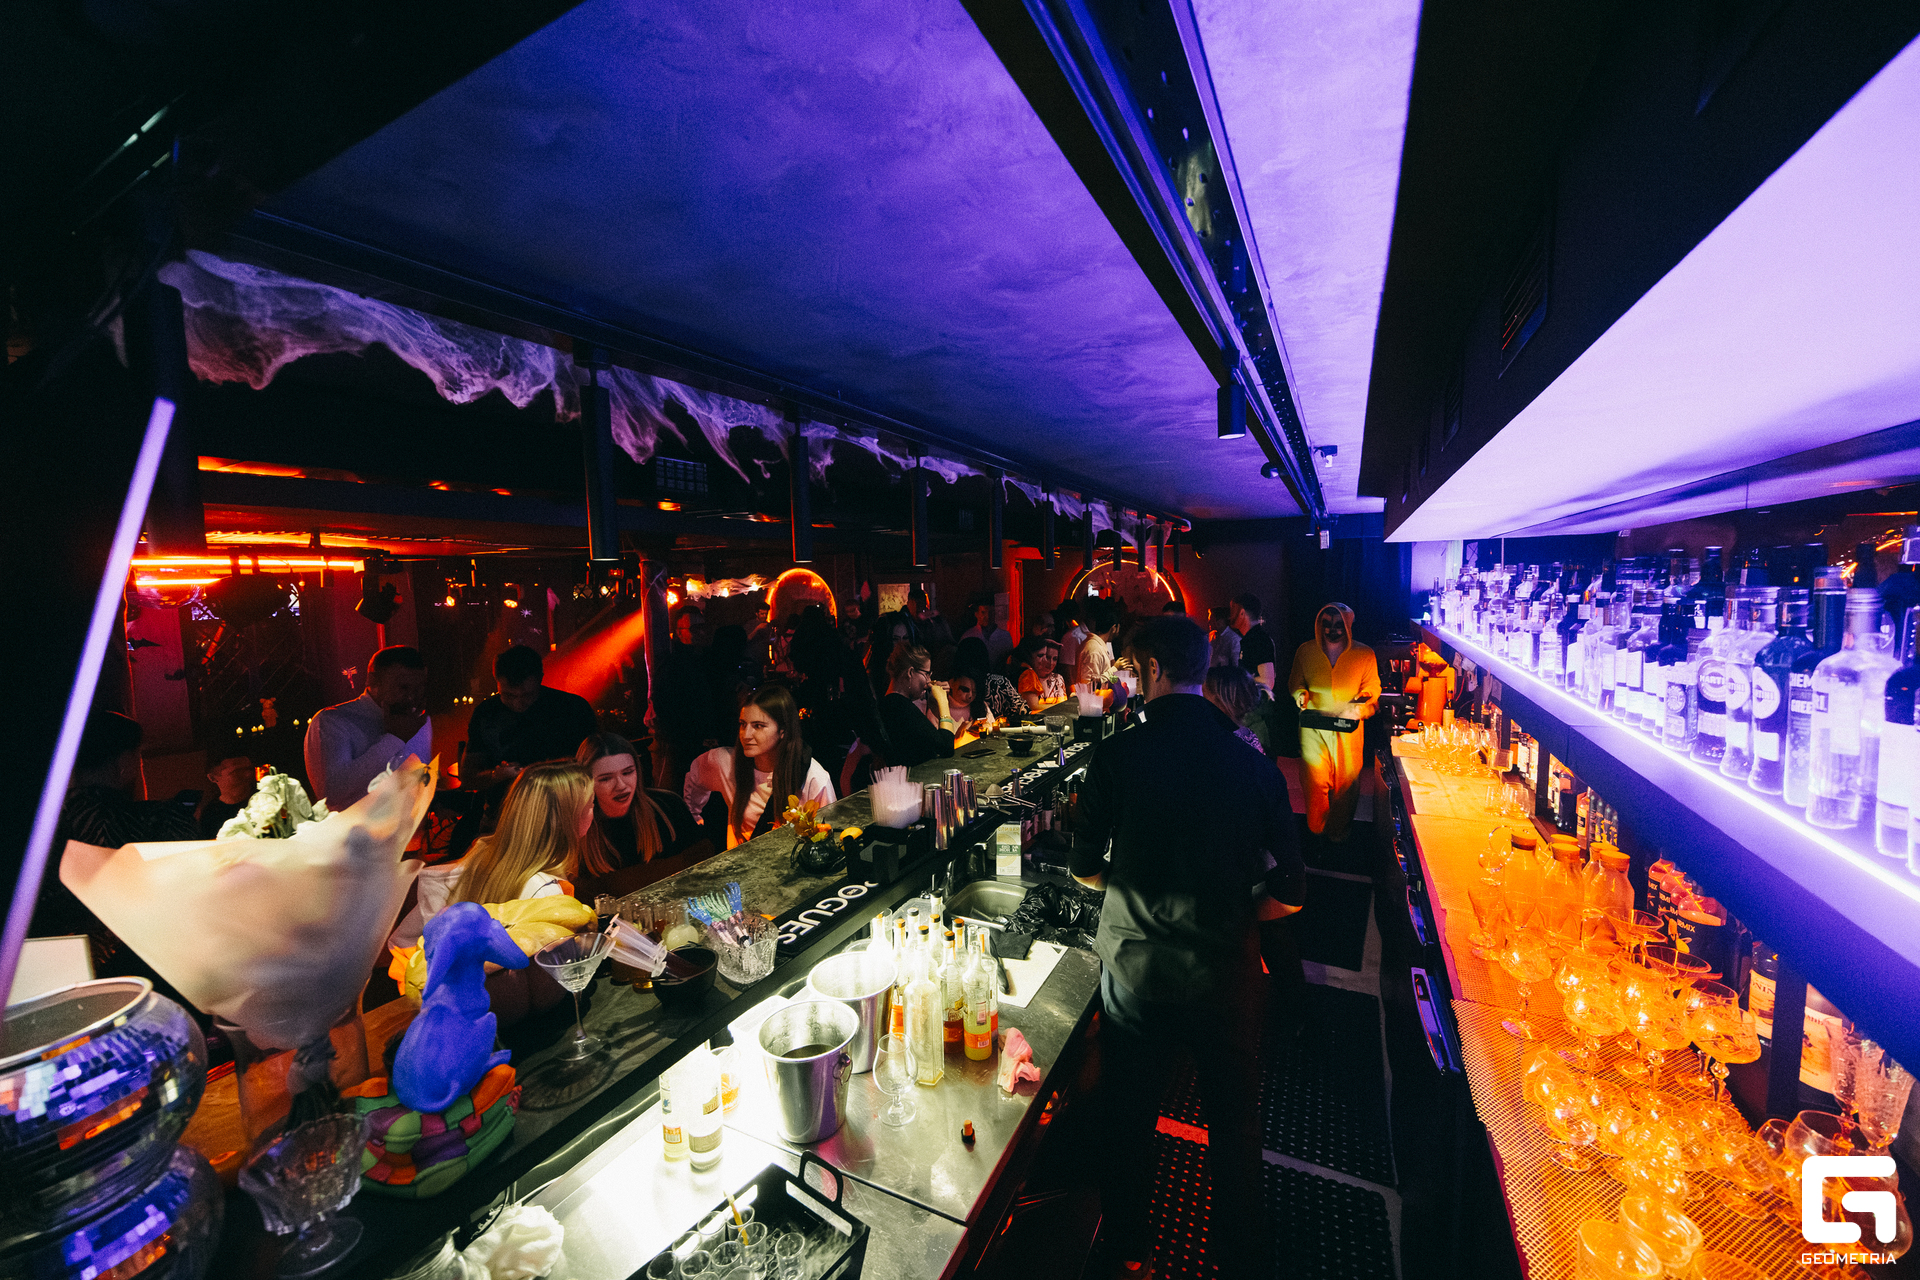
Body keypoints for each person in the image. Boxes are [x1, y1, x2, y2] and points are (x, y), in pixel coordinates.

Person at [1070, 615, 1303, 1280]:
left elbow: (1083, 868)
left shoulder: (1116, 755)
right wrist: (1235, 914)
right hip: (1224, 976)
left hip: (1136, 978)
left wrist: (1128, 885)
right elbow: (1292, 892)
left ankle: (1128, 1249)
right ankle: (1240, 1258)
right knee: (1235, 1126)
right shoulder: (1251, 763)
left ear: (1152, 670)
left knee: (1129, 1118)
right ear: (1203, 669)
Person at [429, 761, 593, 919]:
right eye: (591, 804)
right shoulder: (546, 893)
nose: (594, 810)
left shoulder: (481, 857)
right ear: (568, 817)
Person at [684, 686, 835, 848]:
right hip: (742, 861)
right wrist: (695, 820)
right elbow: (694, 778)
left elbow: (829, 834)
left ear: (782, 730)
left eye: (758, 726)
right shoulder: (725, 763)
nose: (746, 735)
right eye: (743, 724)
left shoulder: (813, 778)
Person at [1289, 602, 1380, 842]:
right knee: (1313, 779)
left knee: (1347, 783)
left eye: (1339, 624)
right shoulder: (1305, 651)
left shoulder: (1364, 654)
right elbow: (1296, 682)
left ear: (1348, 626)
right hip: (1313, 725)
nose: (1332, 630)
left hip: (1348, 728)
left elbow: (1372, 688)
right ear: (1319, 624)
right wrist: (1300, 694)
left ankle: (1339, 834)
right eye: (1327, 624)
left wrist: (1359, 707)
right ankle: (1315, 831)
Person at [573, 732, 704, 898]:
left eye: (627, 772)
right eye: (606, 779)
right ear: (586, 782)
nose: (621, 785)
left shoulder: (668, 806)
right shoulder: (579, 829)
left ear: (638, 770)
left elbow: (702, 866)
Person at [304, 645, 433, 808]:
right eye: (403, 687)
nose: (411, 697)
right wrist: (395, 739)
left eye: (419, 688)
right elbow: (331, 794)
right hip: (353, 825)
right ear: (372, 681)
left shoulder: (420, 721)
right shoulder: (332, 721)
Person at [464, 645, 600, 791]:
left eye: (527, 695)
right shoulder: (485, 713)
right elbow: (467, 777)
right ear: (496, 681)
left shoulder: (573, 708)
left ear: (540, 678)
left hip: (566, 798)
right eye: (508, 695)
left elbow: (598, 764)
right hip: (504, 802)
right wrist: (495, 776)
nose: (517, 703)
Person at [650, 606, 718, 794]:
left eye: (702, 627)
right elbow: (666, 706)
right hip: (681, 746)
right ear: (679, 633)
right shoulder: (673, 665)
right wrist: (690, 735)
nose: (701, 633)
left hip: (700, 743)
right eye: (694, 629)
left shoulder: (706, 659)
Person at [877, 642, 958, 767]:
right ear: (910, 672)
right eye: (926, 674)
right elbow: (946, 748)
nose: (929, 681)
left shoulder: (889, 703)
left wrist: (933, 707)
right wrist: (943, 704)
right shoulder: (901, 707)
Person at [1204, 665, 1266, 755]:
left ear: (1223, 703)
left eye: (1203, 694)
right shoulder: (1248, 735)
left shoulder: (1221, 742)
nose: (1199, 698)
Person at [1229, 593, 1277, 696]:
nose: (1229, 616)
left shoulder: (1259, 639)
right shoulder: (1250, 639)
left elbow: (1268, 681)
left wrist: (1238, 680)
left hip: (1257, 704)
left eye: (1232, 610)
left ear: (1242, 613)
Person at [1074, 600, 1123, 687]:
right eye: (1119, 627)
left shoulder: (1100, 645)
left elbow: (1104, 679)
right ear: (1114, 628)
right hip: (1094, 696)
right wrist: (1115, 668)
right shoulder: (1094, 649)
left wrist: (1119, 673)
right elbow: (1090, 685)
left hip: (1104, 694)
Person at [1013, 637, 1066, 710]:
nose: (1045, 660)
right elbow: (1034, 706)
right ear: (1028, 655)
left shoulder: (1018, 668)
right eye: (1040, 655)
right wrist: (1061, 708)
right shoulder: (1028, 674)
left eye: (1045, 655)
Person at [959, 597, 1014, 667]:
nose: (987, 616)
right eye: (983, 612)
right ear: (976, 614)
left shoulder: (1005, 636)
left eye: (991, 612)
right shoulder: (968, 636)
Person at [1208, 604, 1241, 670]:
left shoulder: (1234, 640)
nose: (1209, 622)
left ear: (1220, 621)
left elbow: (1236, 665)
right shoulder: (1211, 635)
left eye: (1211, 619)